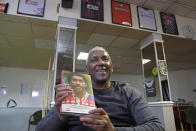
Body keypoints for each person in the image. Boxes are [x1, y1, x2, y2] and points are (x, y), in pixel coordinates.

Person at [36, 46, 165, 131]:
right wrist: (61, 115)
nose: (101, 62)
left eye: (105, 59)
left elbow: (157, 127)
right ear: (87, 69)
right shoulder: (72, 92)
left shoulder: (128, 92)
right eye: (94, 60)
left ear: (111, 67)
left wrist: (113, 130)